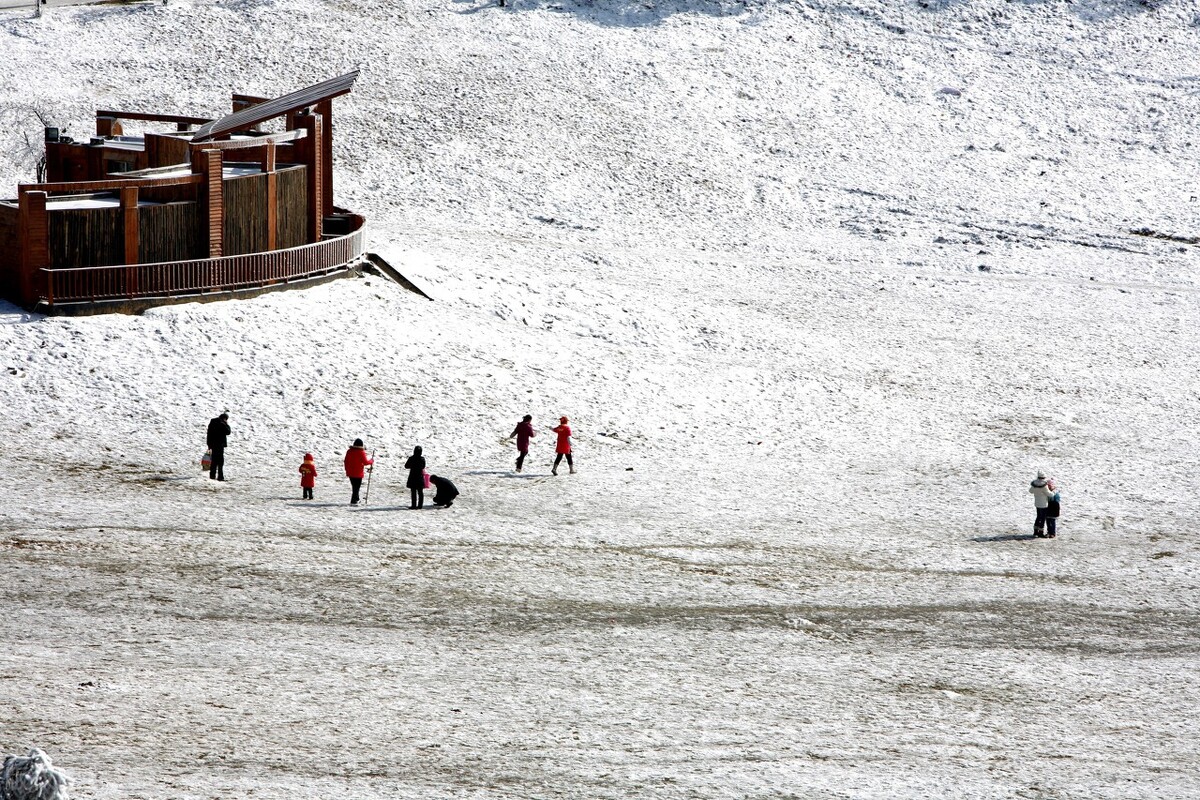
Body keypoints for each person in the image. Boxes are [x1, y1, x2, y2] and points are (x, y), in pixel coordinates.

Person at [344, 439, 373, 505]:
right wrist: (371, 461)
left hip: (350, 472)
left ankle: (356, 499)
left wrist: (346, 469)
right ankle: (354, 500)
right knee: (356, 487)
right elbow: (365, 462)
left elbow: (346, 461)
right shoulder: (361, 452)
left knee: (354, 487)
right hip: (358, 473)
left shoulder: (349, 451)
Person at [1029, 471, 1055, 538]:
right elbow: (1049, 494)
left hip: (1037, 502)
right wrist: (1053, 492)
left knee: (1038, 517)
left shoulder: (1034, 484)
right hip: (1043, 503)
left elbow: (1030, 491)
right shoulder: (1044, 485)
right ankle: (1040, 532)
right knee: (1042, 518)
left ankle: (1035, 531)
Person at [206, 412, 230, 481]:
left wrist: (209, 445)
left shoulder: (212, 422)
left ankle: (212, 475)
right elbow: (228, 432)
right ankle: (220, 476)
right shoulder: (222, 424)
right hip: (220, 445)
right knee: (220, 461)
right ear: (225, 418)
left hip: (213, 444)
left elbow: (209, 434)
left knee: (214, 460)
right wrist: (226, 424)